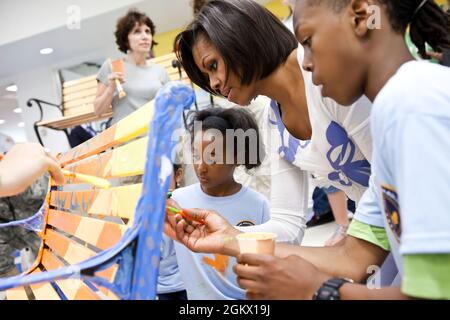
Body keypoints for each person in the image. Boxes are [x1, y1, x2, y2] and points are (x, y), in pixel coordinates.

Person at [224, 0, 449, 300]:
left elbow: (434, 294)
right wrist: (227, 239)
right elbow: (353, 258)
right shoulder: (392, 110)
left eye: (308, 41)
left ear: (358, 16)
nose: (304, 62)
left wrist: (317, 289)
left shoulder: (411, 101)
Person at [171, 0, 372, 246]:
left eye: (213, 66)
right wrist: (226, 234)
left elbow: (394, 172)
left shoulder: (321, 70)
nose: (213, 84)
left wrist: (355, 251)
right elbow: (287, 223)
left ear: (240, 38)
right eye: (207, 76)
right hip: (382, 228)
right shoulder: (273, 119)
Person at [165, 107, 270, 300]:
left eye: (212, 157)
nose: (201, 167)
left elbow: (267, 266)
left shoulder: (259, 205)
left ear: (237, 156)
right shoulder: (178, 202)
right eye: (196, 155)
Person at [94, 9, 171, 125]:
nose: (145, 36)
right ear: (126, 40)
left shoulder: (159, 71)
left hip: (157, 136)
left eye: (148, 31)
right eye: (137, 32)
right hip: (126, 139)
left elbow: (171, 106)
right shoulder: (112, 66)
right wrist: (111, 89)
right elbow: (98, 110)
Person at [0, 143, 64, 277]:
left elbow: (58, 187)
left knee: (58, 266)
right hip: (14, 239)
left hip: (45, 235)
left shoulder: (35, 178)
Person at [157, 164, 187, 300]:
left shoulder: (186, 203)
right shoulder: (144, 207)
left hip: (185, 285)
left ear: (178, 175)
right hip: (158, 287)